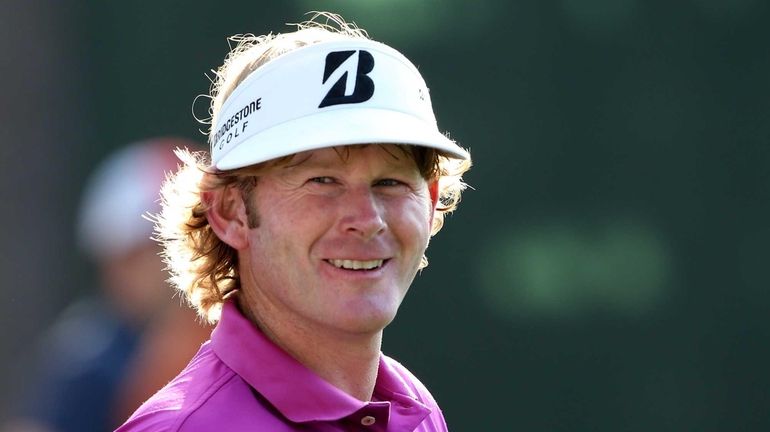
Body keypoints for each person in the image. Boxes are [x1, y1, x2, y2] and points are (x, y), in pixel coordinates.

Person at [116, 12, 471, 432]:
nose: (367, 219)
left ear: (430, 203)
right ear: (231, 212)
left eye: (390, 182)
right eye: (323, 181)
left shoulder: (416, 412)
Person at [5, 138, 211, 432]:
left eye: (141, 253)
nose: (121, 274)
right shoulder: (91, 359)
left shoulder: (241, 336)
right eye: (119, 258)